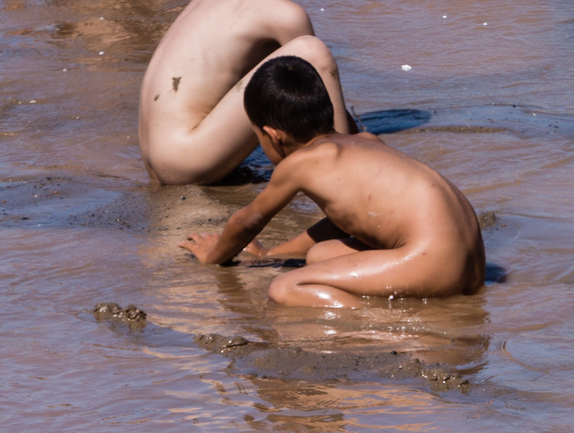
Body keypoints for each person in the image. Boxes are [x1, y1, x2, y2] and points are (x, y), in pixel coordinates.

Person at [178, 56, 485, 307]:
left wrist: (214, 256)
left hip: (435, 262)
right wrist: (271, 255)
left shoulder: (300, 163)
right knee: (320, 255)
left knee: (287, 288)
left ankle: (398, 327)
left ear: (273, 136)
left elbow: (247, 222)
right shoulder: (366, 141)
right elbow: (346, 222)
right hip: (471, 261)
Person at [139, 0, 354, 185]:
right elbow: (316, 100)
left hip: (158, 159)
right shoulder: (284, 15)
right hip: (186, 161)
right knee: (311, 51)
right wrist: (356, 135)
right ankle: (347, 168)